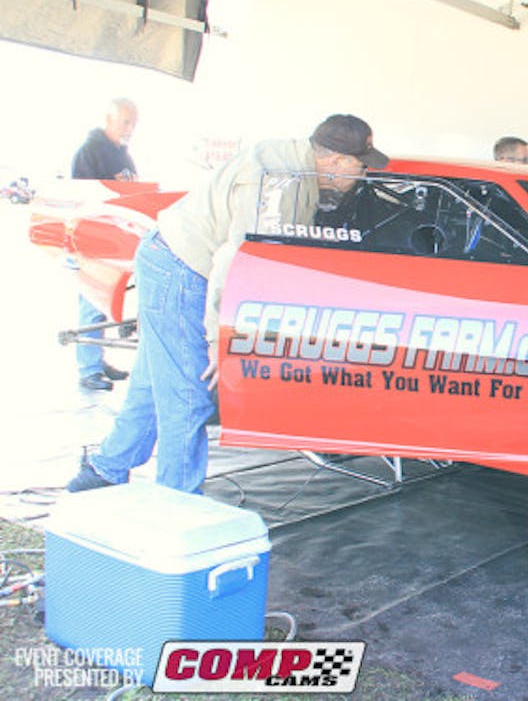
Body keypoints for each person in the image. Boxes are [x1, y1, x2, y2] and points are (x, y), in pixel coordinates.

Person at [67, 114, 389, 494]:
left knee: (156, 380)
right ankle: (178, 501)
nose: (365, 173)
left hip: (177, 258)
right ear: (334, 162)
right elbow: (232, 262)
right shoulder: (277, 183)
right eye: (360, 164)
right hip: (181, 265)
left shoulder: (297, 165)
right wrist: (219, 337)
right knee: (189, 393)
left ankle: (105, 469)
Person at [70, 98, 140, 391]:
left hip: (115, 241)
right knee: (92, 300)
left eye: (133, 123)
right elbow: (86, 197)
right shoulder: (89, 153)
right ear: (109, 119)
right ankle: (88, 369)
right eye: (125, 122)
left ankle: (97, 361)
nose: (130, 129)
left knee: (106, 302)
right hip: (93, 240)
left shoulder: (123, 156)